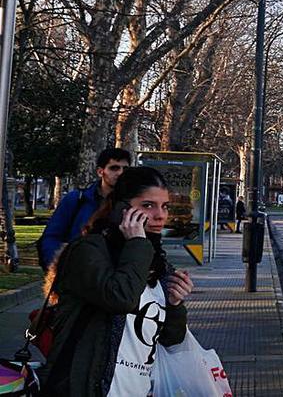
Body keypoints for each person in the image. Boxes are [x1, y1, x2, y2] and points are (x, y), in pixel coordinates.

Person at [40, 166, 195, 396]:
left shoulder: (154, 262)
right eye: (147, 205)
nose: (160, 215)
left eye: (165, 206)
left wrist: (173, 304)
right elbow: (120, 298)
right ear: (122, 209)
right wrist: (138, 243)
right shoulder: (89, 251)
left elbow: (171, 339)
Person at [37, 148, 132, 270]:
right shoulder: (76, 200)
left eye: (125, 169)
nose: (120, 173)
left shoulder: (133, 204)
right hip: (75, 274)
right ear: (100, 171)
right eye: (114, 168)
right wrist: (57, 265)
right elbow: (51, 237)